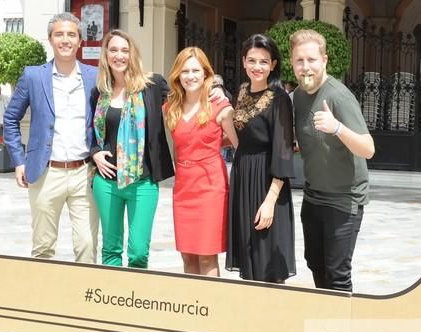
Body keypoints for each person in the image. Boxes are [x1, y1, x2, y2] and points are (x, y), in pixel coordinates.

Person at [4, 12, 99, 264]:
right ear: (50, 39)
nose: (65, 40)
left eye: (71, 34)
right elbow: (10, 119)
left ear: (80, 40)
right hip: (46, 174)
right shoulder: (33, 76)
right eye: (59, 34)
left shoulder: (95, 76)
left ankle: (83, 301)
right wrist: (18, 161)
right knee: (43, 248)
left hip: (84, 174)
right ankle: (44, 300)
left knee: (87, 246)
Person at [290, 29, 375, 292]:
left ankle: (338, 331)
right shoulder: (298, 97)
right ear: (292, 63)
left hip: (344, 201)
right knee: (316, 265)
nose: (306, 67)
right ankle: (325, 324)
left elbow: (368, 149)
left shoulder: (339, 96)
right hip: (313, 197)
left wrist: (337, 127)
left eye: (312, 60)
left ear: (324, 60)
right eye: (299, 61)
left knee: (337, 275)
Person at [89, 29, 175, 269]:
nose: (119, 55)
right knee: (110, 249)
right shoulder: (100, 91)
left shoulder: (152, 85)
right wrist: (94, 152)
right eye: (114, 50)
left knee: (138, 252)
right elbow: (91, 131)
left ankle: (134, 300)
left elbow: (184, 100)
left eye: (124, 50)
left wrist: (217, 95)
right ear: (106, 54)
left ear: (132, 54)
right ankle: (112, 302)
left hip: (142, 181)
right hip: (106, 182)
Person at [226, 34, 295, 283]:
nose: (257, 67)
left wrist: (270, 202)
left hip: (267, 182)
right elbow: (239, 137)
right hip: (244, 177)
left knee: (267, 261)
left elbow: (284, 151)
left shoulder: (279, 100)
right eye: (252, 60)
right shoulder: (242, 92)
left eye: (264, 62)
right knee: (249, 255)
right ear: (243, 62)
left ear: (273, 65)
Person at [164, 48, 238, 276]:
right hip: (183, 188)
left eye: (196, 70)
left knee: (207, 257)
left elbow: (240, 147)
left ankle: (210, 308)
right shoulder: (170, 108)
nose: (190, 76)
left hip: (210, 188)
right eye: (185, 71)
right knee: (187, 256)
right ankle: (191, 307)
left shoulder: (221, 107)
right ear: (177, 75)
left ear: (206, 73)